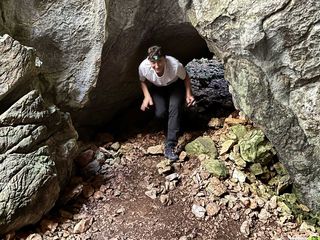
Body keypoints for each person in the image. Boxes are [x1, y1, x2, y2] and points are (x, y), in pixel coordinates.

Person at [138, 45, 194, 160]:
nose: (157, 66)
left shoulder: (175, 65)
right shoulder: (143, 67)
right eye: (153, 63)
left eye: (160, 61)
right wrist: (146, 96)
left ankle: (170, 145)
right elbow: (142, 81)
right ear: (149, 61)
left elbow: (186, 77)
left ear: (165, 58)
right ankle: (170, 126)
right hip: (158, 87)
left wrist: (189, 94)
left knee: (174, 108)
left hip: (175, 85)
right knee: (161, 113)